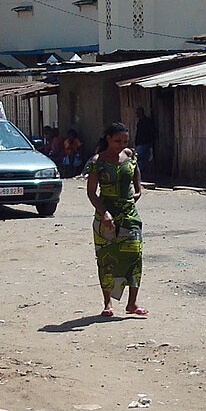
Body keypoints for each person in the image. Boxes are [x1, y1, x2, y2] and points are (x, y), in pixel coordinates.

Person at [85, 122, 147, 317]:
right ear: (108, 139)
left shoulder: (130, 155)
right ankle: (108, 303)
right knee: (106, 258)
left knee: (134, 255)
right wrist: (104, 213)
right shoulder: (98, 161)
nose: (121, 145)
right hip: (106, 216)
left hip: (129, 214)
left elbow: (136, 175)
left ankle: (132, 303)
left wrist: (137, 192)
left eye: (125, 141)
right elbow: (91, 192)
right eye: (117, 141)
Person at [134, 107, 156, 177]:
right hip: (141, 143)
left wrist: (150, 141)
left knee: (138, 158)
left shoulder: (147, 122)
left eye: (138, 113)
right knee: (142, 159)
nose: (136, 114)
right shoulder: (140, 122)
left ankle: (138, 173)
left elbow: (151, 132)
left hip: (145, 143)